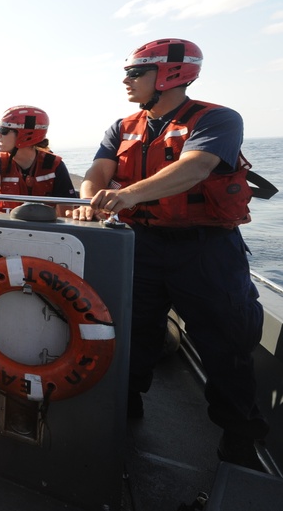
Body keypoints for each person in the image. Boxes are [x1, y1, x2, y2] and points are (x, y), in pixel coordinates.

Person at [70, 38, 268, 470]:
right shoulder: (122, 127)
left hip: (206, 249)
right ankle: (126, 407)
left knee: (226, 340)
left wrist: (126, 196)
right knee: (131, 331)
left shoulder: (217, 119)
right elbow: (97, 173)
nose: (126, 81)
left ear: (170, 74)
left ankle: (239, 440)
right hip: (141, 243)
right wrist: (90, 201)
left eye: (135, 73)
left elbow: (195, 167)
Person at [0, 105, 77, 214]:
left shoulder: (54, 165)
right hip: (5, 224)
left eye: (3, 130)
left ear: (24, 135)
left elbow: (67, 213)